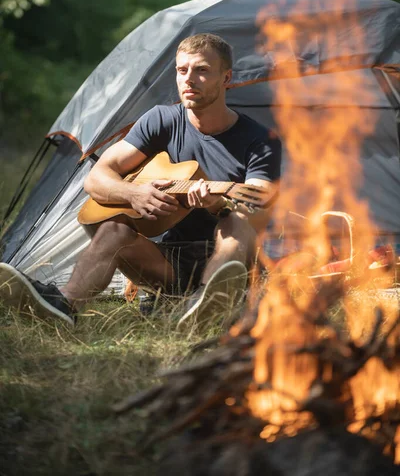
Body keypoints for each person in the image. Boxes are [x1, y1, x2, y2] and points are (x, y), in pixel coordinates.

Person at [0, 33, 281, 330]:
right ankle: (62, 307)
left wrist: (218, 203)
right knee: (113, 229)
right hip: (168, 262)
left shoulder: (260, 140)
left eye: (201, 70)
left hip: (231, 260)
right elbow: (97, 178)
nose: (189, 79)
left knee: (235, 221)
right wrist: (133, 194)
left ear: (226, 77)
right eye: (182, 70)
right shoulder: (161, 120)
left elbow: (258, 204)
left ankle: (205, 304)